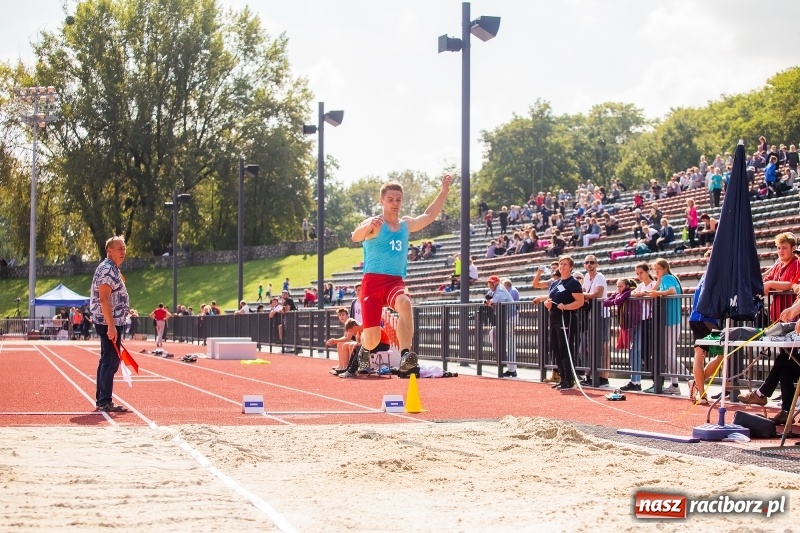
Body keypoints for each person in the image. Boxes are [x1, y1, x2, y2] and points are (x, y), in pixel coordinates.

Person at [351, 175, 451, 374]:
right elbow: (355, 237)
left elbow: (429, 215)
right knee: (373, 340)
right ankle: (363, 349)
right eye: (390, 200)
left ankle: (406, 355)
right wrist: (369, 227)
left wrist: (444, 191)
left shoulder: (406, 224)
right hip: (372, 281)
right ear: (382, 201)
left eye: (398, 200)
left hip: (394, 281)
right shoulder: (375, 223)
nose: (395, 204)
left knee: (405, 302)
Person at [90, 236, 130, 412]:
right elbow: (104, 299)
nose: (123, 251)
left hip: (112, 320)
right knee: (111, 360)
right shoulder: (107, 269)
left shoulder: (112, 268)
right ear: (109, 251)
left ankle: (102, 399)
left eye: (124, 248)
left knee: (107, 359)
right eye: (119, 248)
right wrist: (111, 326)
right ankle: (104, 401)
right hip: (109, 322)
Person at [643, 258, 685, 395]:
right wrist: (658, 282)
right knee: (669, 353)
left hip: (671, 319)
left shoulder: (668, 277)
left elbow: (672, 291)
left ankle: (693, 376)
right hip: (670, 319)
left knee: (668, 353)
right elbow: (652, 292)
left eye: (658, 269)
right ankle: (675, 384)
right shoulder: (666, 278)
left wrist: (658, 291)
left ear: (665, 268)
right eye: (655, 270)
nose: (656, 272)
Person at [543, 256, 584, 390]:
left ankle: (569, 379)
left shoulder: (573, 283)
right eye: (561, 264)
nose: (562, 267)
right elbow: (549, 299)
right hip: (554, 319)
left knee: (565, 349)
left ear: (571, 267)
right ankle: (562, 378)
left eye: (565, 264)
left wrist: (566, 307)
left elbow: (580, 301)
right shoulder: (556, 283)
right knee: (555, 349)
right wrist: (547, 303)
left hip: (566, 319)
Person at [687, 256, 721, 403]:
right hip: (707, 319)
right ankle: (698, 388)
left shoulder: (706, 274)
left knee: (699, 355)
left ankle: (699, 390)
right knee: (723, 354)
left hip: (696, 318)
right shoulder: (716, 274)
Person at [580, 254, 610, 387]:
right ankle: (590, 374)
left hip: (602, 315)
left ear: (596, 264)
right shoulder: (586, 277)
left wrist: (583, 295)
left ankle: (603, 377)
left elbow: (597, 293)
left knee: (602, 347)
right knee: (586, 347)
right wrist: (584, 295)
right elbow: (586, 293)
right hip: (591, 316)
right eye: (587, 263)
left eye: (592, 262)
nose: (589, 265)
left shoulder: (600, 277)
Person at [485, 275, 517, 377]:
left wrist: (490, 301)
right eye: (489, 283)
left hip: (510, 318)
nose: (490, 284)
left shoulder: (501, 288)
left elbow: (496, 300)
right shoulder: (492, 290)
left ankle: (512, 369)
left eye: (492, 283)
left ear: (497, 283)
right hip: (503, 319)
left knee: (509, 343)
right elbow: (487, 298)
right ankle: (501, 356)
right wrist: (488, 301)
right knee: (493, 333)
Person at [326, 308, 358, 375]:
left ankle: (345, 367)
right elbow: (345, 336)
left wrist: (335, 340)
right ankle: (341, 366)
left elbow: (348, 338)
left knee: (342, 343)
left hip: (357, 341)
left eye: (343, 314)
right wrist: (335, 340)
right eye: (339, 315)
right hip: (352, 341)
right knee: (340, 343)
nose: (341, 317)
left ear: (347, 315)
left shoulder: (350, 322)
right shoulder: (346, 323)